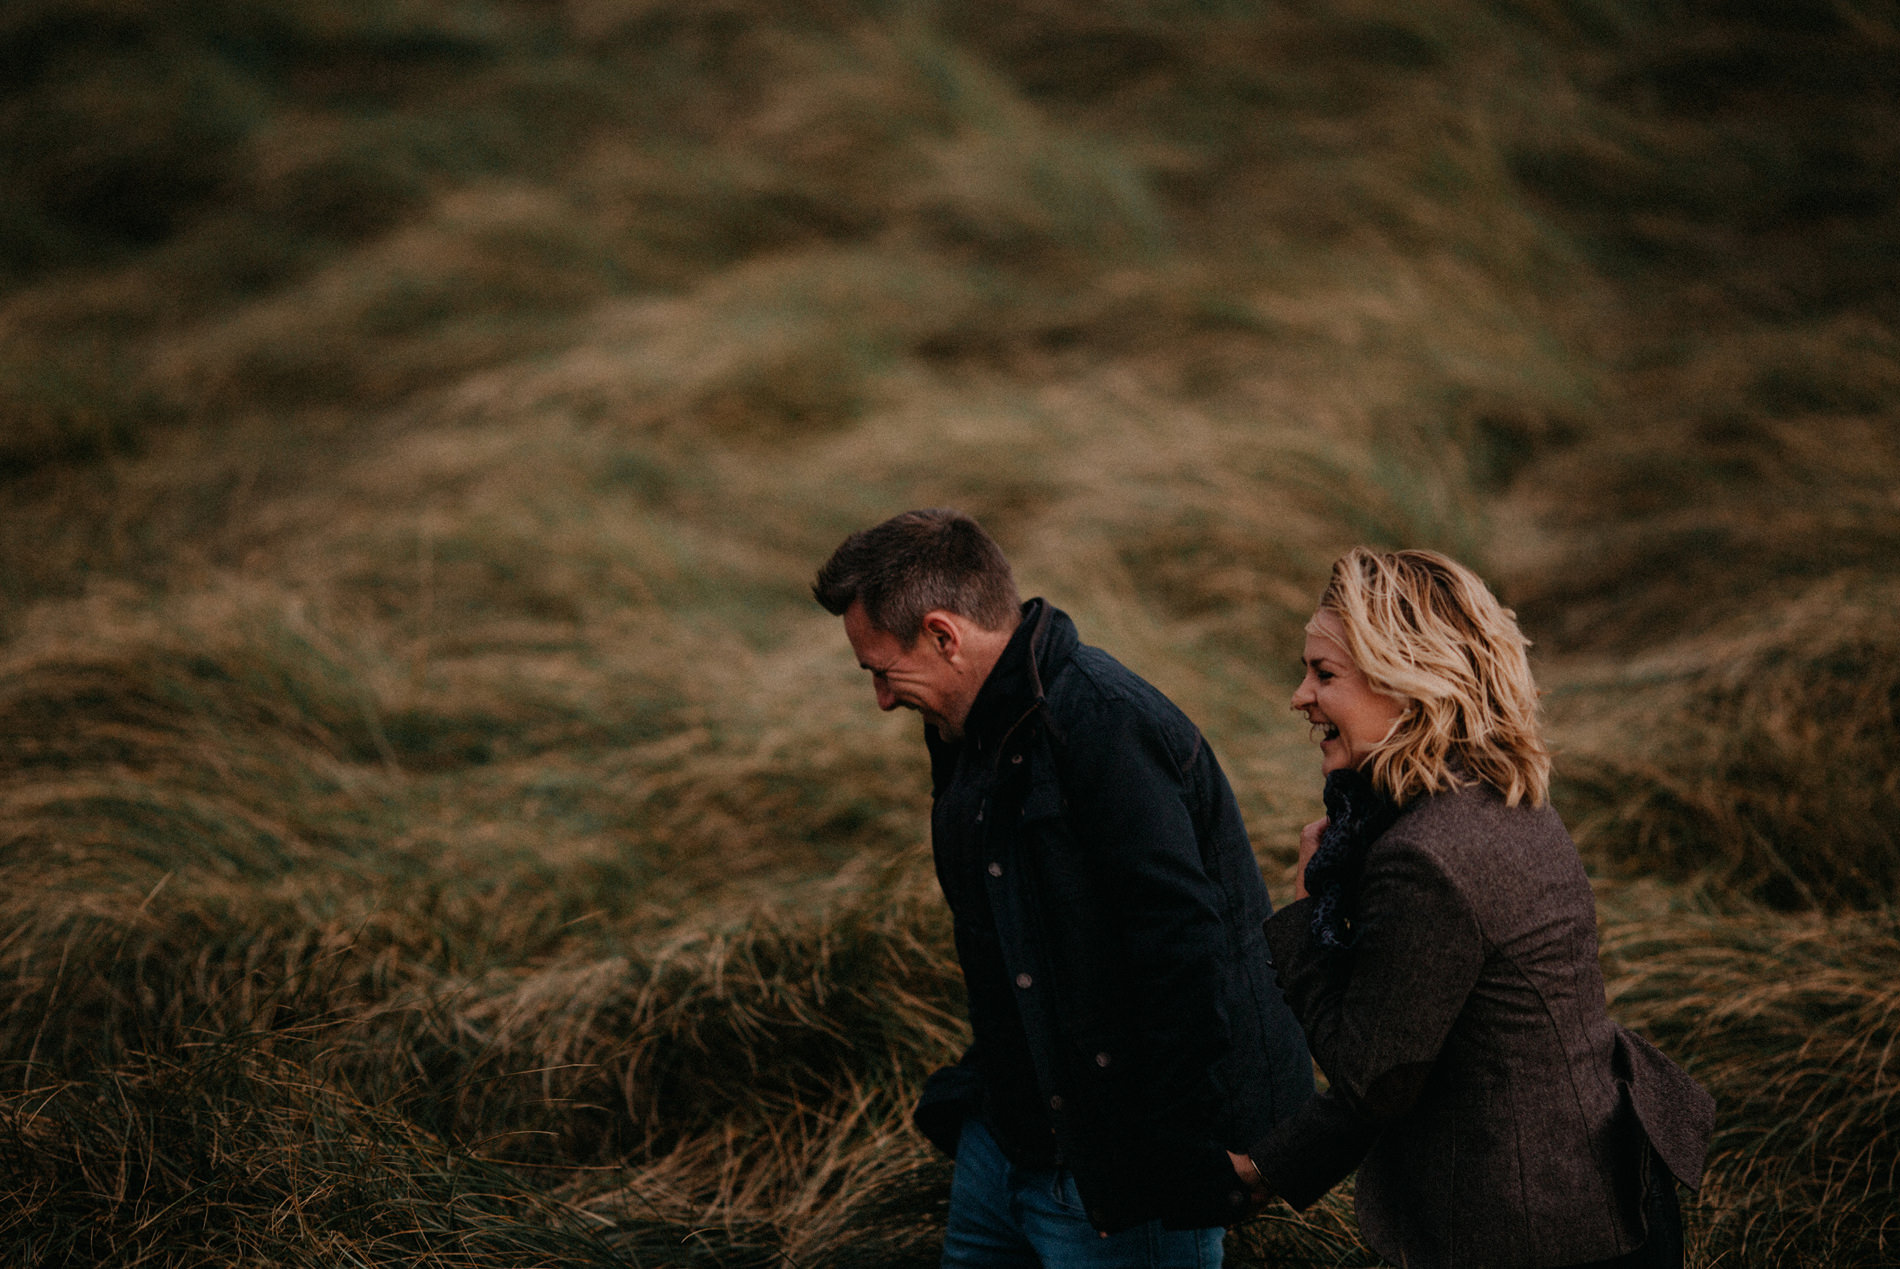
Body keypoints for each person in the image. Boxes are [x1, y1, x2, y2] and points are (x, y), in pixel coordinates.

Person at [813, 508, 1313, 1268]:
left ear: (946, 635)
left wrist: (1168, 1166)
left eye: (883, 671)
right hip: (1007, 1142)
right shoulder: (967, 731)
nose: (882, 697)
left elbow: (1187, 953)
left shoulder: (1105, 726)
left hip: (1121, 1170)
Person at [1235, 547, 1715, 1269]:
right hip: (1600, 1186)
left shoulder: (1425, 853)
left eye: (1324, 673)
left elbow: (1376, 1077)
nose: (1300, 696)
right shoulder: (1500, 797)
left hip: (1537, 1231)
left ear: (1409, 681)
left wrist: (1305, 919)